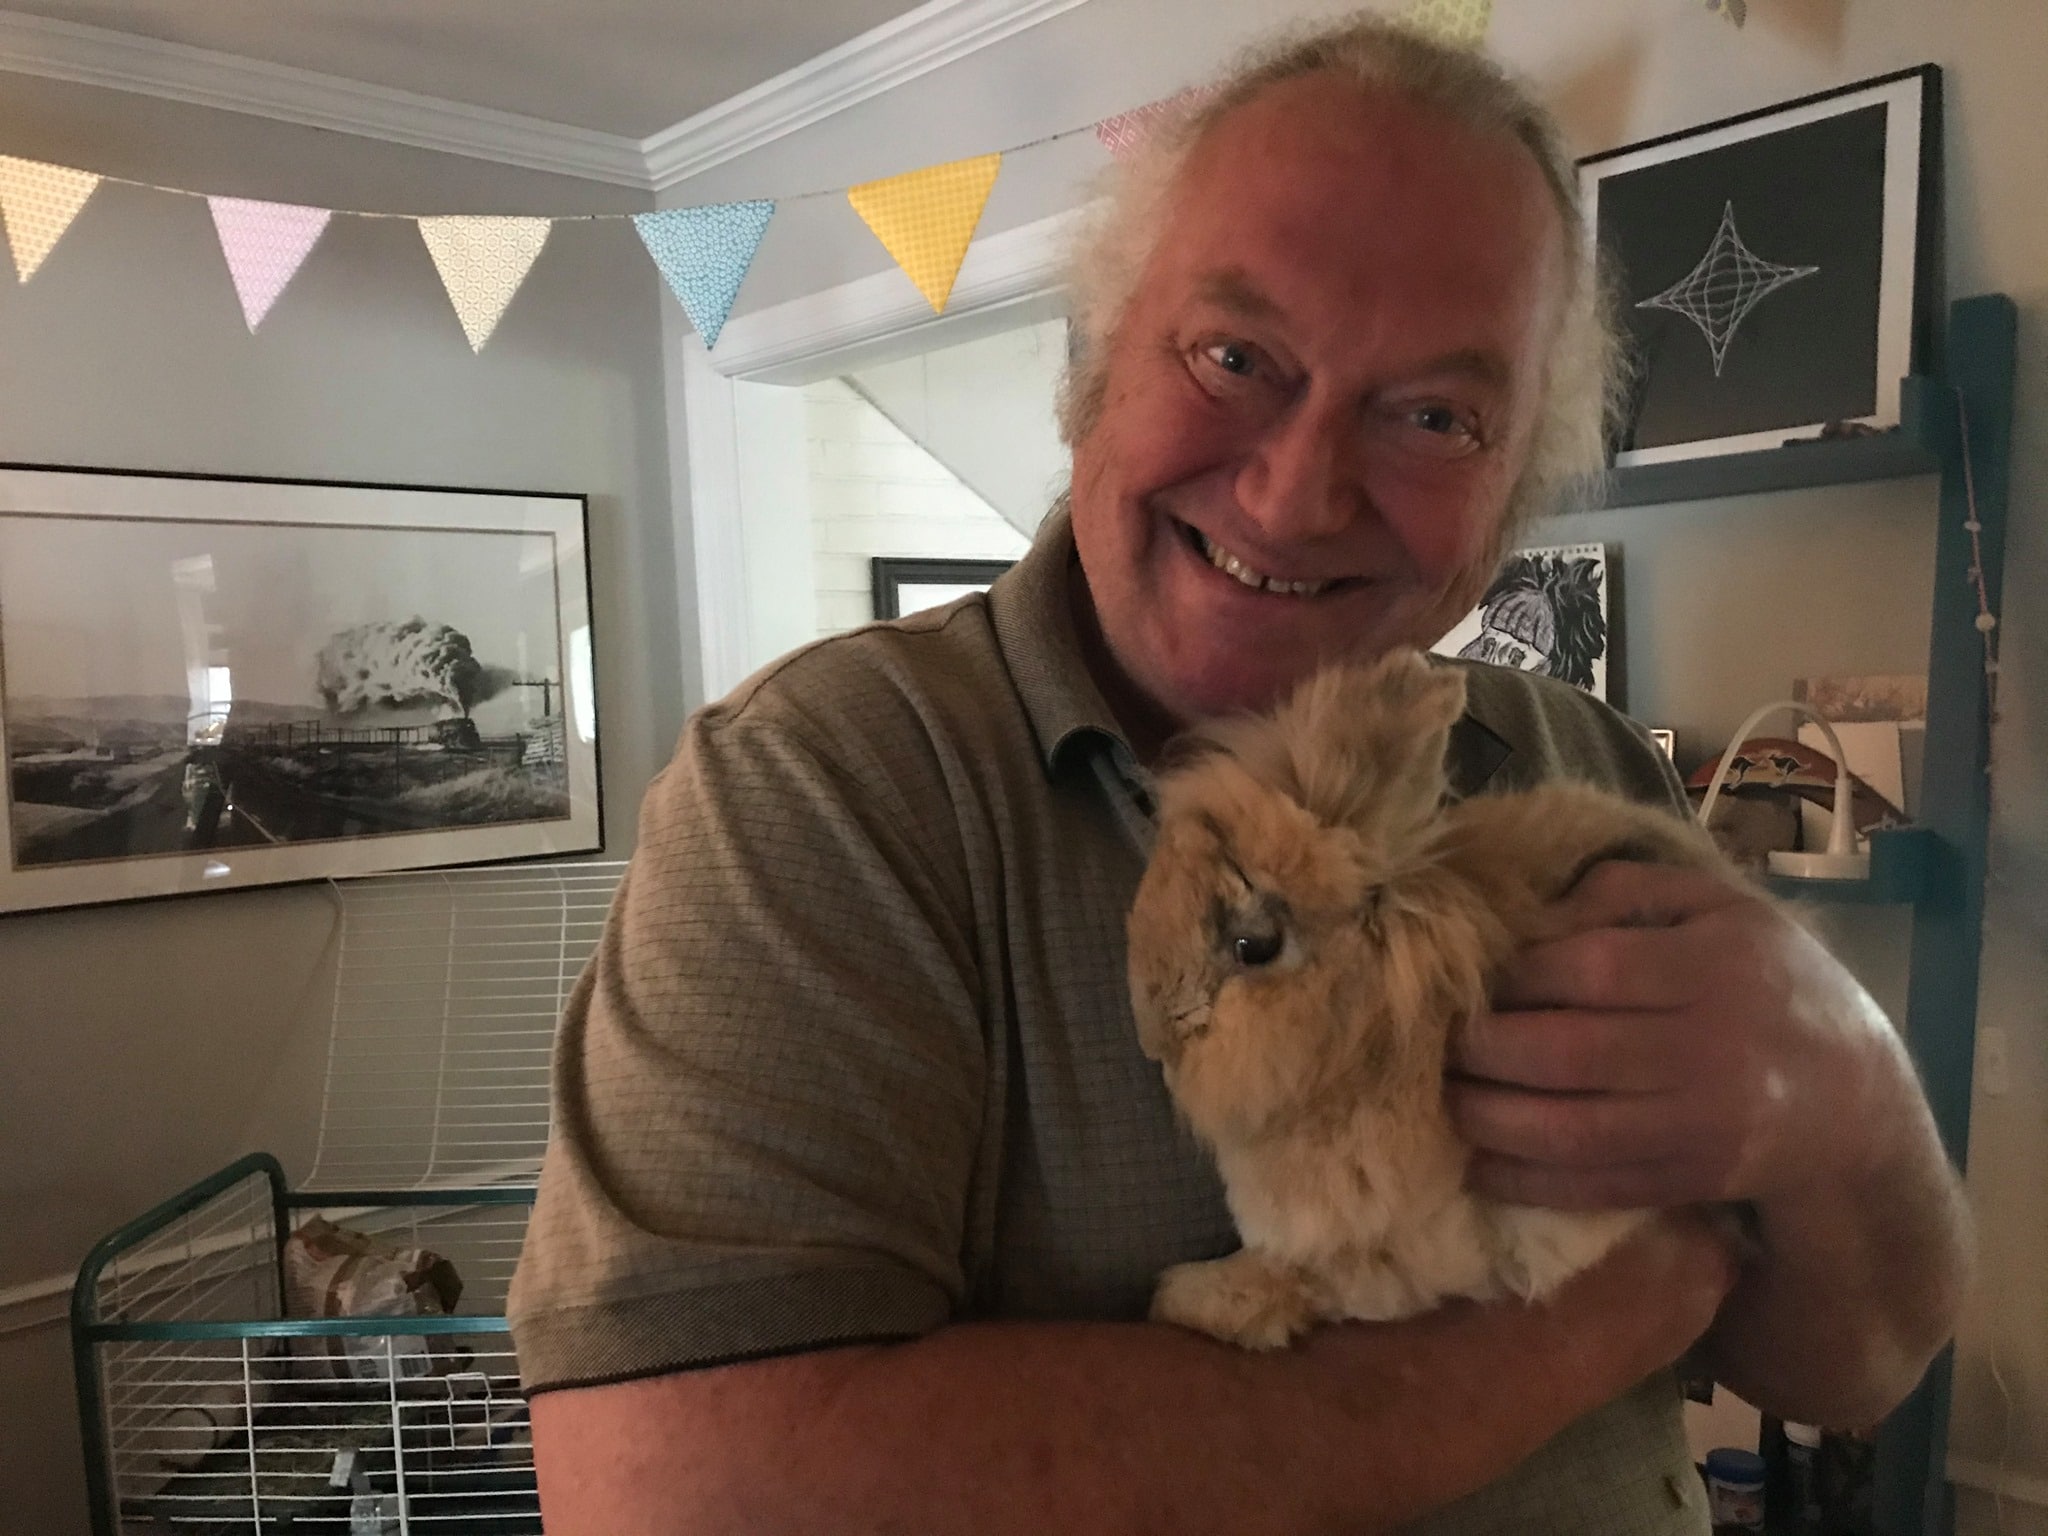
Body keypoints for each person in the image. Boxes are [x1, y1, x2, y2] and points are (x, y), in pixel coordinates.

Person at [508, 16, 1970, 1534]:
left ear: (1520, 479)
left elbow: (1847, 1371)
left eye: (1434, 416)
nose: (1294, 491)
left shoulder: (1577, 766)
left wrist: (1849, 1093)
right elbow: (678, 1496)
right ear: (1096, 358)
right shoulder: (829, 795)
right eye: (1234, 356)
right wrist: (1595, 1322)